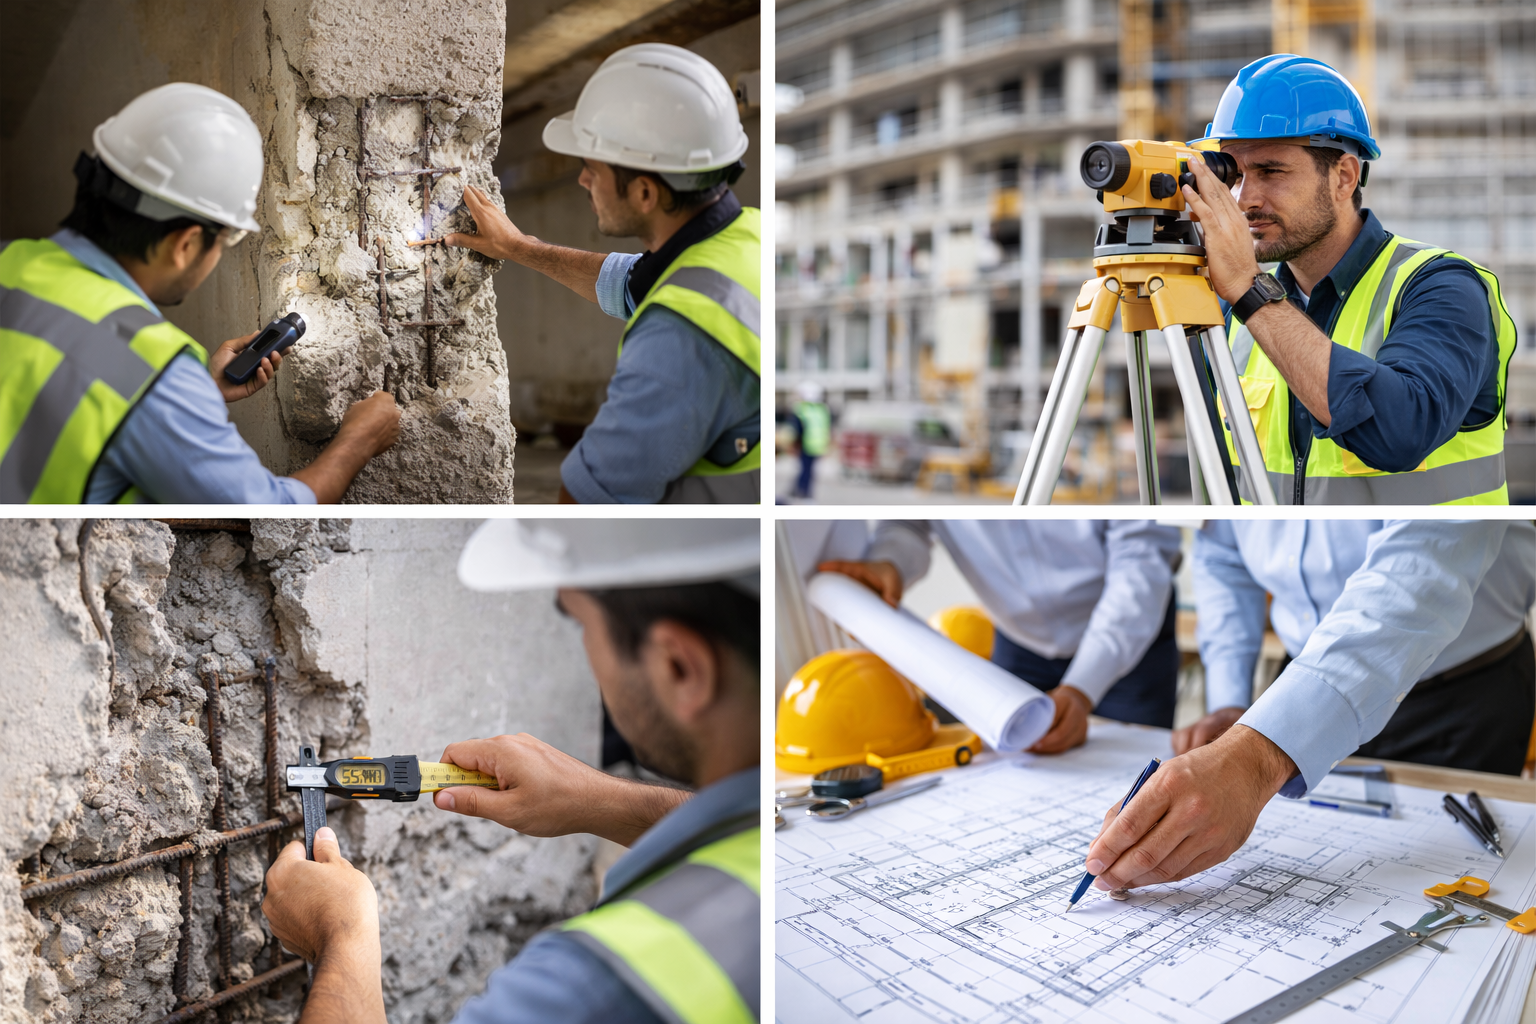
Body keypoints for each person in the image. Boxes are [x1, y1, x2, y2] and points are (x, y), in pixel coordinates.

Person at [260, 519, 760, 1024]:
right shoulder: (810, 814)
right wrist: (600, 800)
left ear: (678, 667)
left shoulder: (589, 987)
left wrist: (340, 938)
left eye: (582, 624)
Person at [1082, 520, 1534, 898]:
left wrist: (1256, 755)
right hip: (1296, 691)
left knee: (1458, 880)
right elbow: (1224, 555)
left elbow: (1425, 560)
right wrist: (1232, 703)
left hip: (1459, 692)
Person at [0, 82, 399, 504]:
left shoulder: (11, 261)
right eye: (225, 241)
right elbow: (268, 514)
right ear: (186, 244)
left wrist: (197, 394)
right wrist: (359, 440)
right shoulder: (152, 372)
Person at [1185, 54, 1516, 504]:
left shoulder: (1441, 287)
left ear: (1344, 176)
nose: (1245, 199)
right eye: (1235, 175)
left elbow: (1398, 433)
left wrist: (1248, 287)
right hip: (1283, 575)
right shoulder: (1233, 312)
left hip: (1439, 571)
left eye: (1271, 171)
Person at [446, 44, 760, 504]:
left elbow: (589, 501)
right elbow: (630, 281)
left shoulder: (681, 334)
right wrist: (517, 247)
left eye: (591, 169)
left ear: (645, 193)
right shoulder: (743, 237)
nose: (582, 181)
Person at [818, 520, 1184, 754]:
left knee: (1132, 770)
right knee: (1018, 763)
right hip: (1018, 639)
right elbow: (910, 524)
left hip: (1129, 643)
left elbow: (1141, 563)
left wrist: (1081, 687)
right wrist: (889, 560)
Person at [788, 380, 830, 499]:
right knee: (809, 469)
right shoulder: (822, 410)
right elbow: (826, 428)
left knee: (805, 469)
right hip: (818, 445)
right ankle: (801, 489)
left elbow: (797, 429)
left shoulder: (801, 408)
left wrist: (793, 444)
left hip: (805, 444)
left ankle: (804, 491)